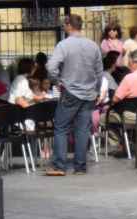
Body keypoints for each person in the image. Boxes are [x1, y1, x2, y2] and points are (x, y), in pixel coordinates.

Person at [43, 14, 103, 176]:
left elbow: (51, 67)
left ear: (69, 25)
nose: (63, 27)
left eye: (64, 24)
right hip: (89, 93)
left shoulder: (64, 45)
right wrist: (96, 90)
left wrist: (57, 82)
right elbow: (99, 72)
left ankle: (59, 166)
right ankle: (80, 167)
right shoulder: (93, 45)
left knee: (61, 128)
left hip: (70, 91)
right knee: (82, 130)